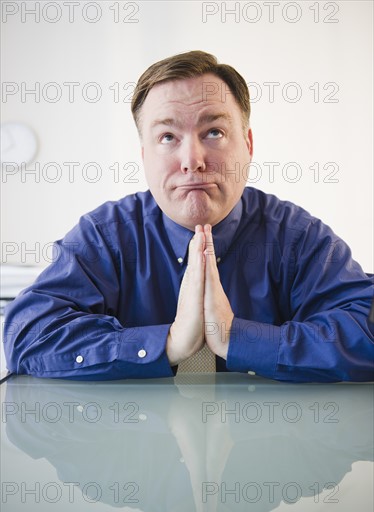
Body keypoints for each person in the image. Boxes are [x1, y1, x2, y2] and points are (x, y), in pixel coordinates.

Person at [3, 51, 373, 382]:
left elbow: (366, 328)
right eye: (167, 137)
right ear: (145, 155)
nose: (192, 159)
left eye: (214, 131)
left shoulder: (298, 237)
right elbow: (28, 333)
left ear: (247, 145)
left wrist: (236, 337)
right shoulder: (104, 236)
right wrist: (167, 342)